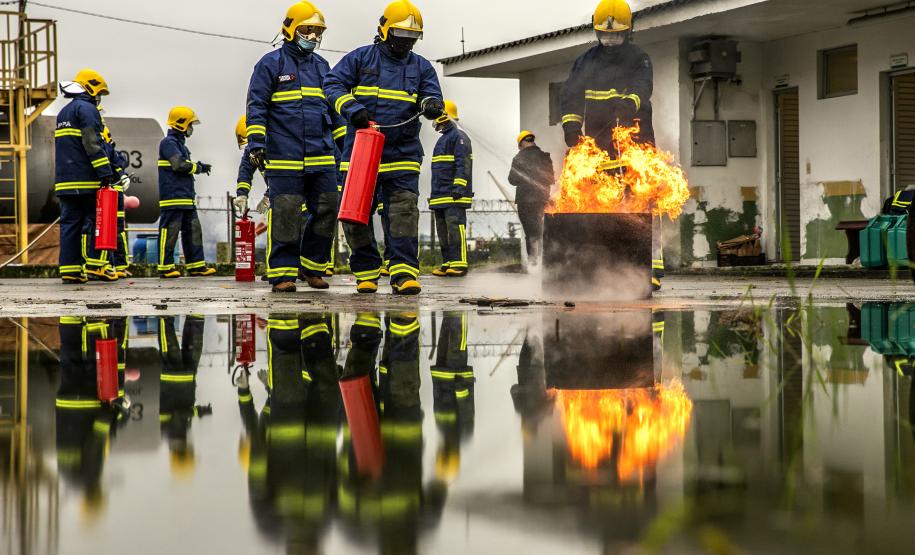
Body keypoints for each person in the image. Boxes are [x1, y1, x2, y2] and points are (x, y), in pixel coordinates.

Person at [323, 0, 444, 295]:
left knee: (403, 212)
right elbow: (332, 84)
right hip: (361, 151)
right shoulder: (361, 59)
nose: (406, 43)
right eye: (401, 36)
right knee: (355, 212)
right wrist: (352, 108)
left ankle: (403, 272)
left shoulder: (421, 66)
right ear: (384, 31)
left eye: (411, 38)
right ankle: (366, 271)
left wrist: (431, 104)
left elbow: (432, 94)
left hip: (402, 153)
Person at [560, 0, 662, 290]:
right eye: (605, 35)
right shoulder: (585, 61)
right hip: (598, 144)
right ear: (596, 33)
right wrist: (570, 126)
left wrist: (629, 104)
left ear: (629, 32)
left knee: (640, 204)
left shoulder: (639, 58)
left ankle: (649, 268)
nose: (611, 40)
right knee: (603, 204)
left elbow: (643, 86)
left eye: (616, 35)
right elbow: (571, 95)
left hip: (635, 140)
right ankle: (611, 268)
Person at [245, 1, 343, 293]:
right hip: (284, 155)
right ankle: (282, 273)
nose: (313, 37)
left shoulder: (323, 67)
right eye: (307, 30)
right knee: (286, 213)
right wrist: (257, 143)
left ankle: (312, 266)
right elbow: (257, 106)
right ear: (289, 30)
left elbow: (334, 111)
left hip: (322, 155)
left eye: (317, 32)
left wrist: (344, 145)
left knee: (327, 207)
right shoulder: (269, 64)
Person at [54, 69, 119, 283]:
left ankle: (70, 269)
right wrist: (106, 173)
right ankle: (97, 266)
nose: (98, 97)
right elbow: (93, 143)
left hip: (65, 182)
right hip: (86, 180)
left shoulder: (64, 112)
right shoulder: (88, 109)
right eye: (98, 92)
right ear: (90, 88)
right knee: (96, 221)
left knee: (70, 224)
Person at [156, 106, 217, 278]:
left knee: (193, 231)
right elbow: (178, 165)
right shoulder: (168, 143)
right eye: (190, 124)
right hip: (173, 198)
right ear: (181, 124)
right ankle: (165, 267)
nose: (192, 128)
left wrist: (198, 167)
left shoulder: (179, 145)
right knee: (170, 233)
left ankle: (196, 266)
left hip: (186, 198)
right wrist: (198, 168)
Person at [429, 100, 473, 277]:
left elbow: (463, 164)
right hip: (440, 195)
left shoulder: (458, 137)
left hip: (454, 194)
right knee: (443, 230)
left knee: (455, 228)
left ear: (443, 115)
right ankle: (448, 262)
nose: (434, 122)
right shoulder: (443, 139)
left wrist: (459, 187)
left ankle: (459, 263)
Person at [507, 131, 553, 266]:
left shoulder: (519, 158)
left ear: (522, 143)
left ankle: (533, 262)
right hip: (542, 200)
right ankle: (546, 263)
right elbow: (551, 178)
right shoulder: (545, 157)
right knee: (541, 230)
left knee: (530, 232)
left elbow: (512, 180)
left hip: (525, 201)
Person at [101, 123, 132, 278]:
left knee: (116, 232)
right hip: (109, 198)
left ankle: (118, 265)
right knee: (108, 232)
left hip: (114, 198)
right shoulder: (107, 152)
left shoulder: (113, 153)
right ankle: (112, 264)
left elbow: (119, 163)